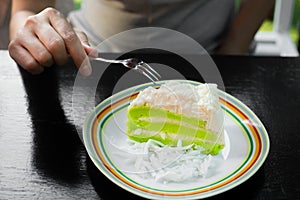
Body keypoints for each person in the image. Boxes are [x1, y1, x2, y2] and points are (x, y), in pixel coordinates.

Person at [8, 0, 275, 77]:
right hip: (96, 58)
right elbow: (27, 11)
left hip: (214, 51)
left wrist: (231, 50)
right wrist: (36, 33)